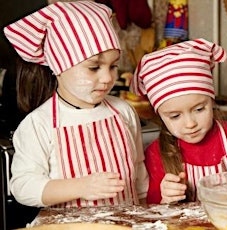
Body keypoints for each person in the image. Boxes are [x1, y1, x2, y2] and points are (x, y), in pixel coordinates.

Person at [4, 1, 148, 208]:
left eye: (113, 65)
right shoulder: (39, 123)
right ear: (59, 65)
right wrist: (81, 187)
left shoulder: (123, 111)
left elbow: (139, 172)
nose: (108, 77)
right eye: (94, 67)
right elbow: (23, 186)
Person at [130, 38, 227, 204]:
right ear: (160, 116)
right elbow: (153, 213)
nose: (190, 123)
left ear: (212, 101)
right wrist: (165, 199)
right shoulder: (157, 153)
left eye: (199, 109)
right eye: (175, 116)